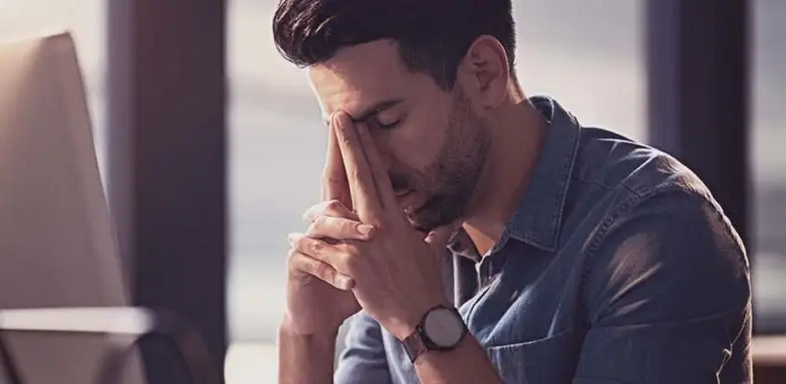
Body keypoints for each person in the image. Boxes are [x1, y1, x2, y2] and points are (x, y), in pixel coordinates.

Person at [271, 0, 753, 383]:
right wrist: (307, 333)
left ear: (483, 73)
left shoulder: (657, 233)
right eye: (344, 134)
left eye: (386, 121)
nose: (366, 163)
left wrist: (425, 323)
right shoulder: (404, 238)